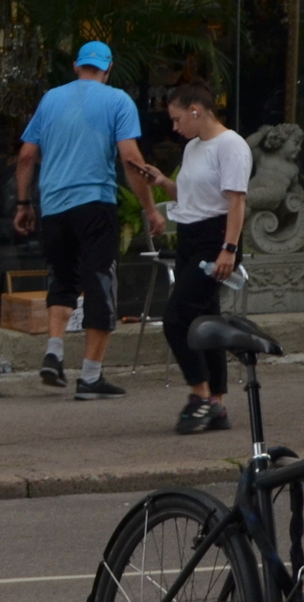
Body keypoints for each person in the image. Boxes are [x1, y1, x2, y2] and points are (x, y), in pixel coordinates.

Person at [14, 41, 165, 400]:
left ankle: (54, 351)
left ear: (76, 66)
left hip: (53, 206)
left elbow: (25, 156)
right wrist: (150, 209)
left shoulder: (50, 99)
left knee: (62, 280)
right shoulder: (117, 101)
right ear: (108, 68)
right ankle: (91, 377)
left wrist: (23, 203)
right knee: (100, 284)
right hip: (94, 205)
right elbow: (130, 159)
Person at [152, 82, 252, 435]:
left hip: (214, 238)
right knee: (206, 318)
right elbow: (195, 194)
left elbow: (235, 200)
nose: (175, 128)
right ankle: (218, 404)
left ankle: (201, 395)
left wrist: (229, 248)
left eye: (178, 119)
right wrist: (164, 182)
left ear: (196, 110)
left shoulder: (231, 145)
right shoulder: (194, 147)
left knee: (177, 318)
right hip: (190, 235)